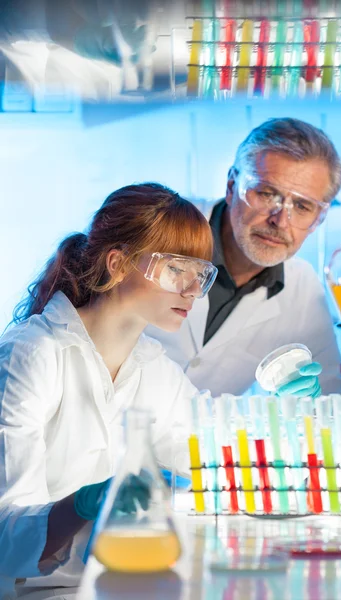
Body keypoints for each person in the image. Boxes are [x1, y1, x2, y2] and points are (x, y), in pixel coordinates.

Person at [0, 183, 216, 597]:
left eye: (200, 274)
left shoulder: (155, 369)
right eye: (176, 270)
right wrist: (82, 506)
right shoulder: (32, 355)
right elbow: (5, 535)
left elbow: (213, 451)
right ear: (118, 263)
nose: (192, 291)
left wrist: (277, 400)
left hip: (129, 584)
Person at [147, 117, 341, 397]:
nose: (280, 221)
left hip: (214, 440)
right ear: (232, 186)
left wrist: (299, 408)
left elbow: (335, 401)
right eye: (267, 194)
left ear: (319, 219)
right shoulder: (158, 226)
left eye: (303, 206)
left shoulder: (303, 289)